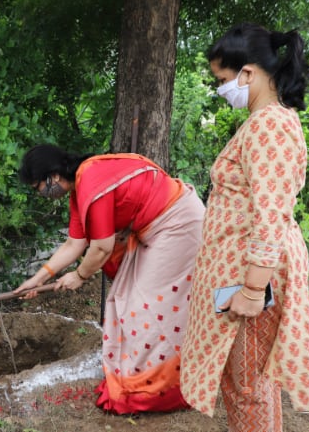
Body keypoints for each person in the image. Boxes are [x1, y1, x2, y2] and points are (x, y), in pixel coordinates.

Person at [179, 23, 309, 431]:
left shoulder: (268, 125)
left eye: (222, 79)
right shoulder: (263, 122)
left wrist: (254, 290)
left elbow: (271, 214)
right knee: (243, 381)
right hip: (238, 277)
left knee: (248, 386)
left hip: (250, 280)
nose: (221, 89)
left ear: (249, 73)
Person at [14, 144, 205, 414]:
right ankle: (143, 379)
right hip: (157, 228)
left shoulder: (91, 180)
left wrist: (79, 276)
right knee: (127, 299)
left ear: (52, 176)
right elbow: (73, 244)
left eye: (38, 187)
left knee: (146, 307)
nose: (41, 194)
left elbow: (101, 247)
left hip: (178, 225)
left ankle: (160, 389)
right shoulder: (81, 189)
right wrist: (37, 278)